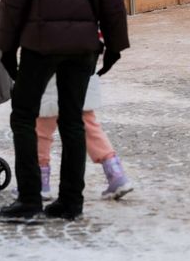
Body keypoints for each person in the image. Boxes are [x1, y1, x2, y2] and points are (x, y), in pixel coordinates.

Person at [0, 0, 129, 223]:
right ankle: (71, 201)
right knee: (73, 121)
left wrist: (7, 49)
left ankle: (29, 199)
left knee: (23, 116)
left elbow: (12, 4)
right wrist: (114, 46)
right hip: (83, 48)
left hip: (39, 46)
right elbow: (113, 3)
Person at [36, 72, 133, 201]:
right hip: (82, 67)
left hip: (49, 71)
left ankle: (39, 180)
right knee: (87, 124)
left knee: (42, 127)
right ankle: (116, 173)